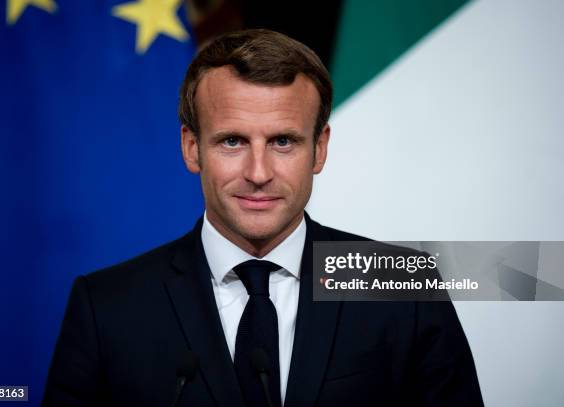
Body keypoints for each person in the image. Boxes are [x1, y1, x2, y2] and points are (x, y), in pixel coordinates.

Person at [43, 29, 483, 406]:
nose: (258, 173)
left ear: (320, 148)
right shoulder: (106, 307)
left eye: (283, 142)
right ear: (191, 148)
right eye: (232, 141)